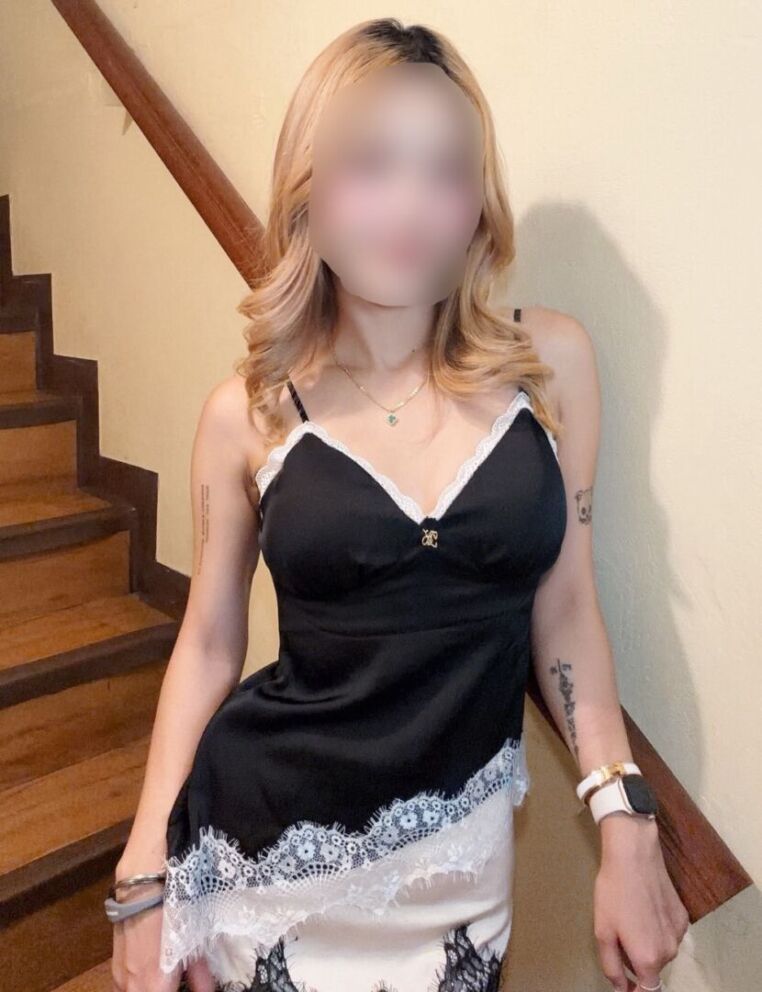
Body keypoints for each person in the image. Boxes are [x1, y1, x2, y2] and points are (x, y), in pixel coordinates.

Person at [108, 17, 689, 992]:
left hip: (460, 869)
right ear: (308, 187)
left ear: (479, 204)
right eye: (373, 164)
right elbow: (208, 644)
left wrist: (623, 818)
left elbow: (566, 604)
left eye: (447, 171)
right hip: (266, 855)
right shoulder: (248, 414)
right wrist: (144, 871)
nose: (413, 205)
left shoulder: (548, 366)